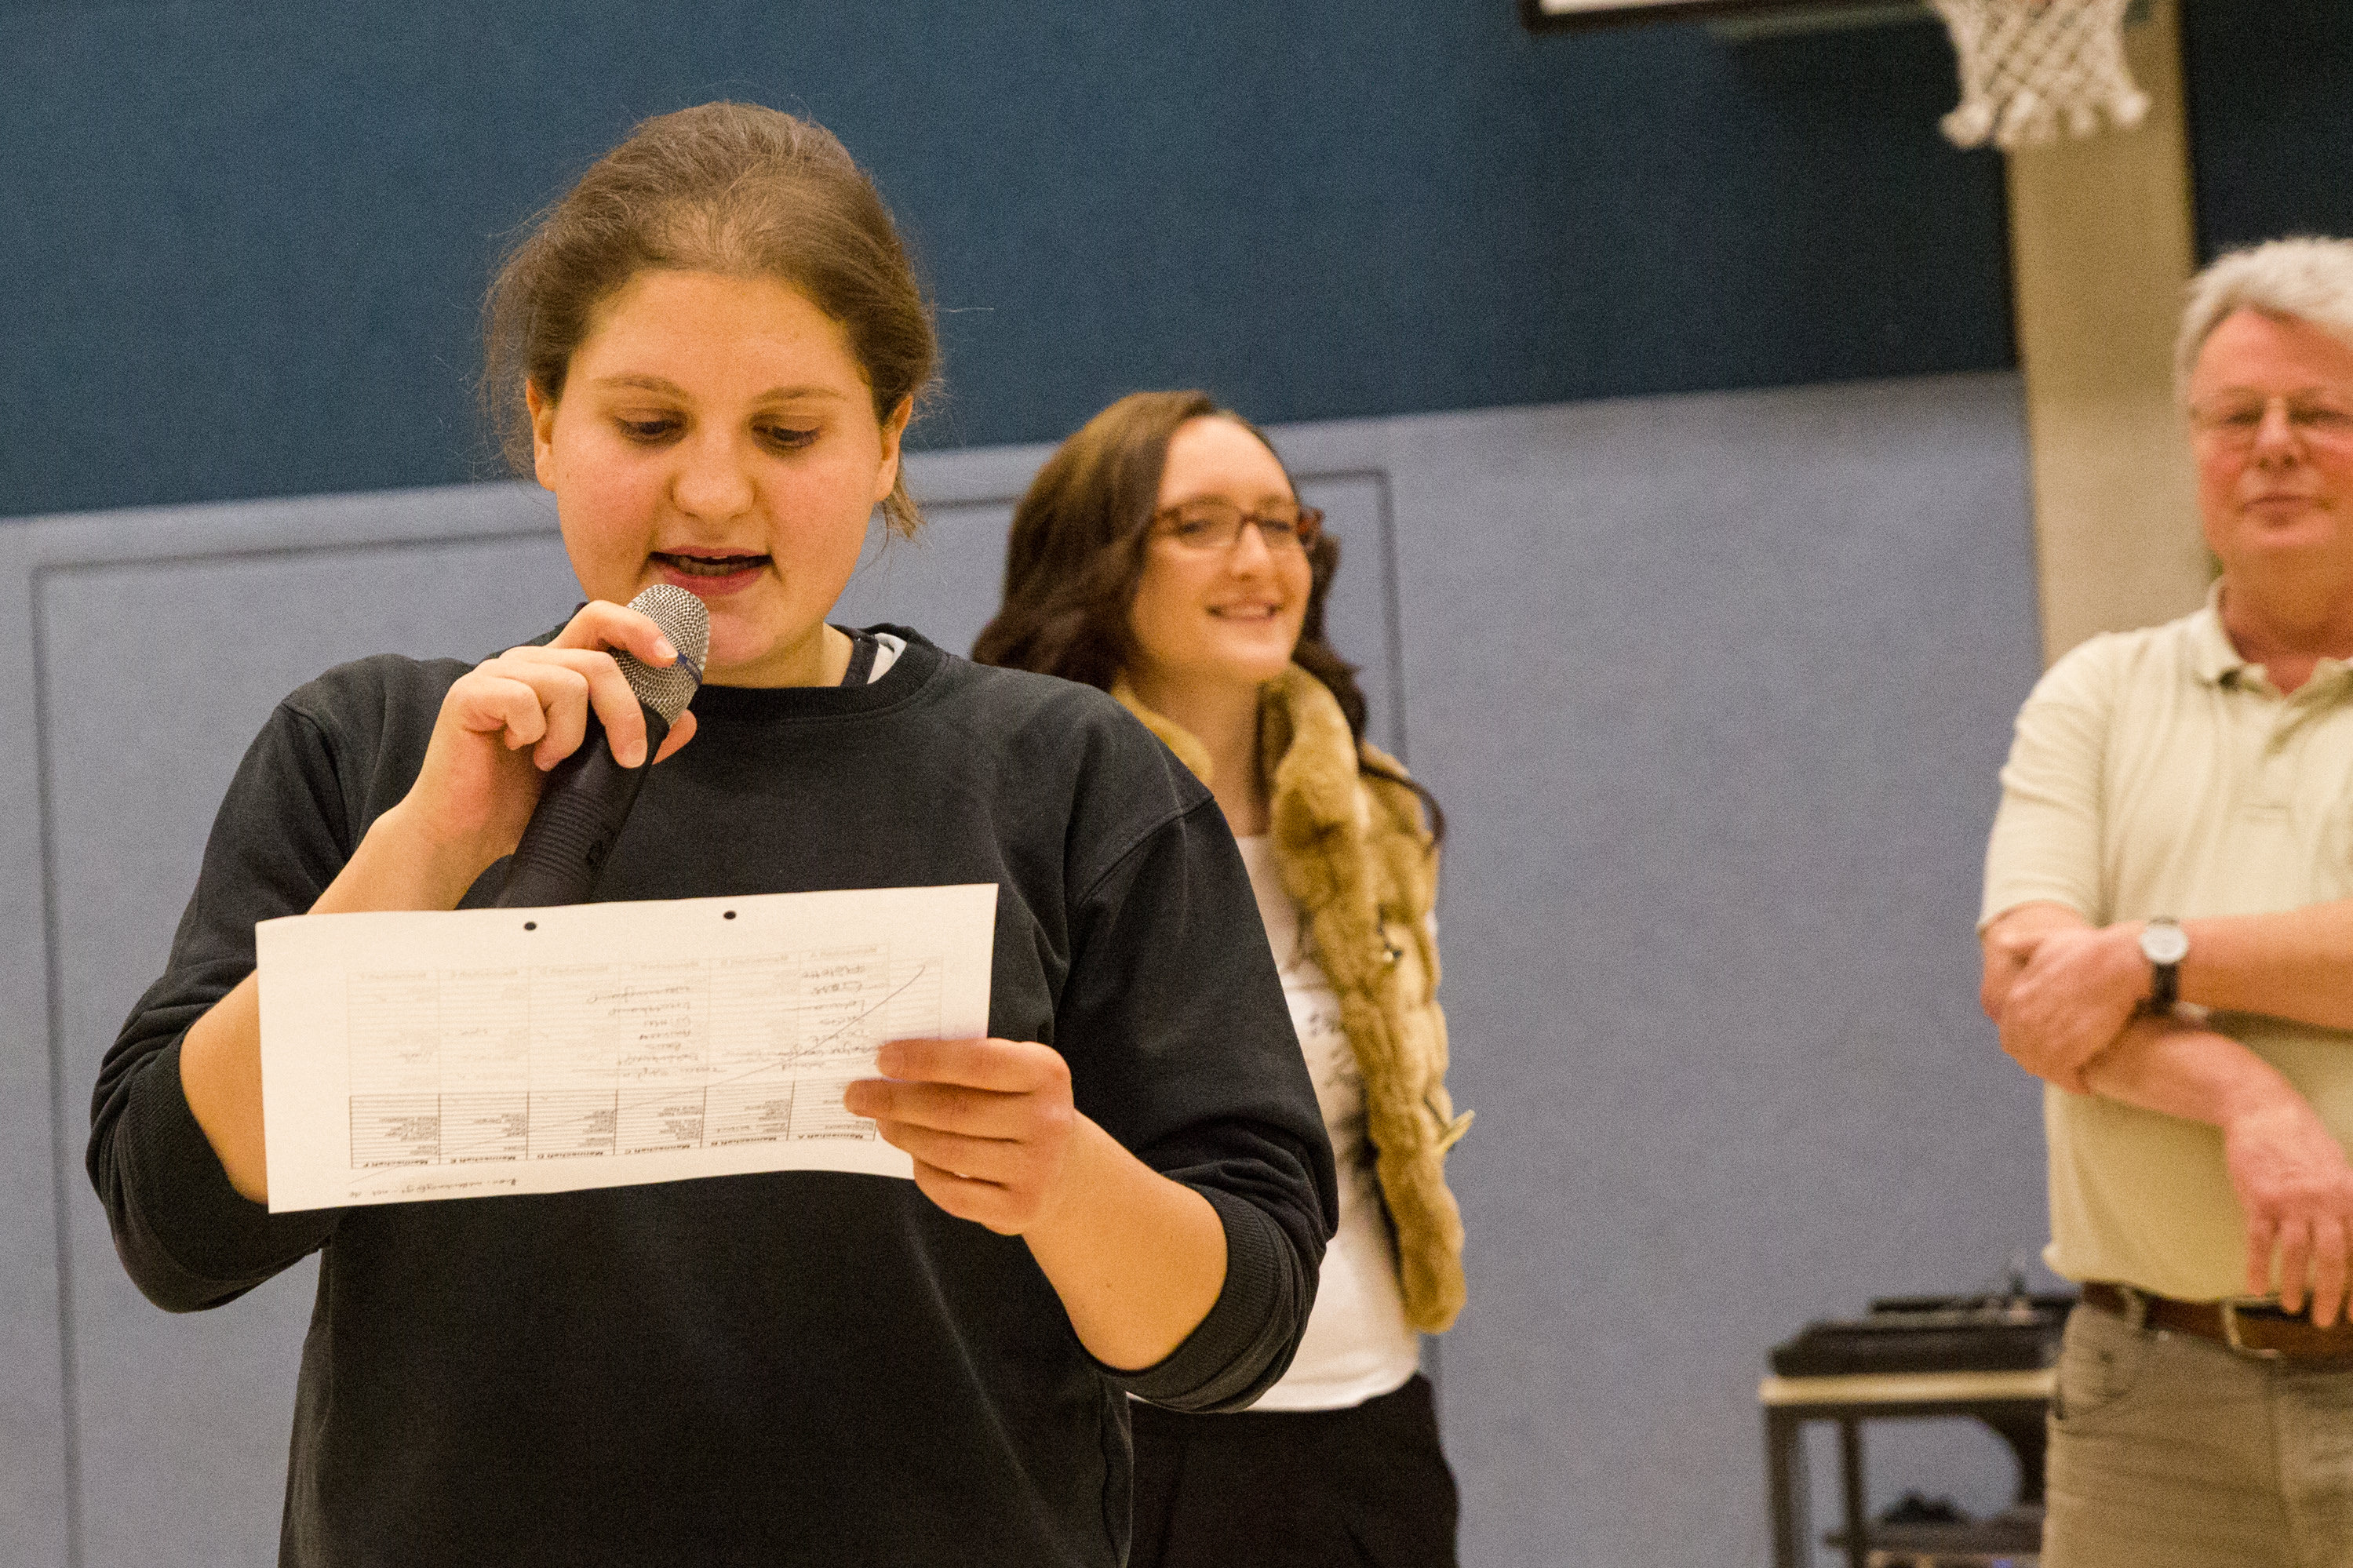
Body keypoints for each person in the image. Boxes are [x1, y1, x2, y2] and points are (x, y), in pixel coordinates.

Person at [86, 105, 1335, 1568]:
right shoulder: (365, 750)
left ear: (889, 438)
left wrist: (1062, 1179)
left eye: (790, 433)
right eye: (649, 424)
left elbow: (1240, 1328)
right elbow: (174, 1225)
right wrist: (424, 852)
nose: (716, 492)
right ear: (545, 423)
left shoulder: (1068, 781)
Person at [972, 391, 1470, 1567]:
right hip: (1128, 1426)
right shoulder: (1023, 823)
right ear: (1098, 563)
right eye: (1197, 525)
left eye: (1280, 522)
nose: (1258, 562)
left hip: (1373, 1415)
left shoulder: (1374, 815)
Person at [1980, 236, 2353, 1566]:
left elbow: (2089, 979)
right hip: (2152, 1403)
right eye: (2236, 415)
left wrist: (2149, 956)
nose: (2274, 447)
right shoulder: (2095, 695)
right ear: (2193, 444)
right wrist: (2251, 1101)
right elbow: (2029, 994)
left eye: (2319, 412)